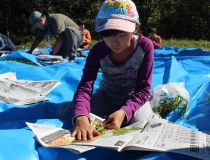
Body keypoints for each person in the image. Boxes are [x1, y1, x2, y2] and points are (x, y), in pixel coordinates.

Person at [56, 0, 159, 141]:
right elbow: (85, 87)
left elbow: (143, 90)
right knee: (69, 113)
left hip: (133, 98)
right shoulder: (97, 51)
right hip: (106, 95)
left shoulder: (145, 47)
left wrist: (124, 112)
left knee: (144, 126)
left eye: (121, 35)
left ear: (135, 28)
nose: (114, 42)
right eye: (107, 34)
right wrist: (81, 117)